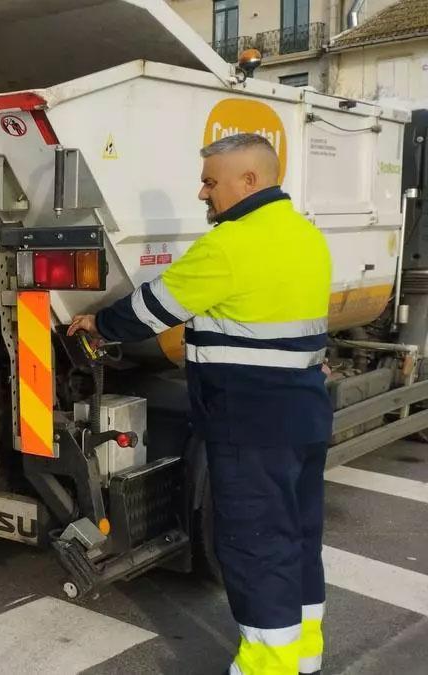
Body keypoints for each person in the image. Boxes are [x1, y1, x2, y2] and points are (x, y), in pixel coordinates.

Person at [68, 133, 331, 675]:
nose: (202, 193)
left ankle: (268, 667)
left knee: (256, 545)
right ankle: (304, 656)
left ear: (249, 181)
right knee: (297, 534)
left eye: (211, 182)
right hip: (302, 411)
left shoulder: (230, 244)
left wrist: (98, 322)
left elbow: (154, 308)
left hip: (250, 421)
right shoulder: (305, 236)